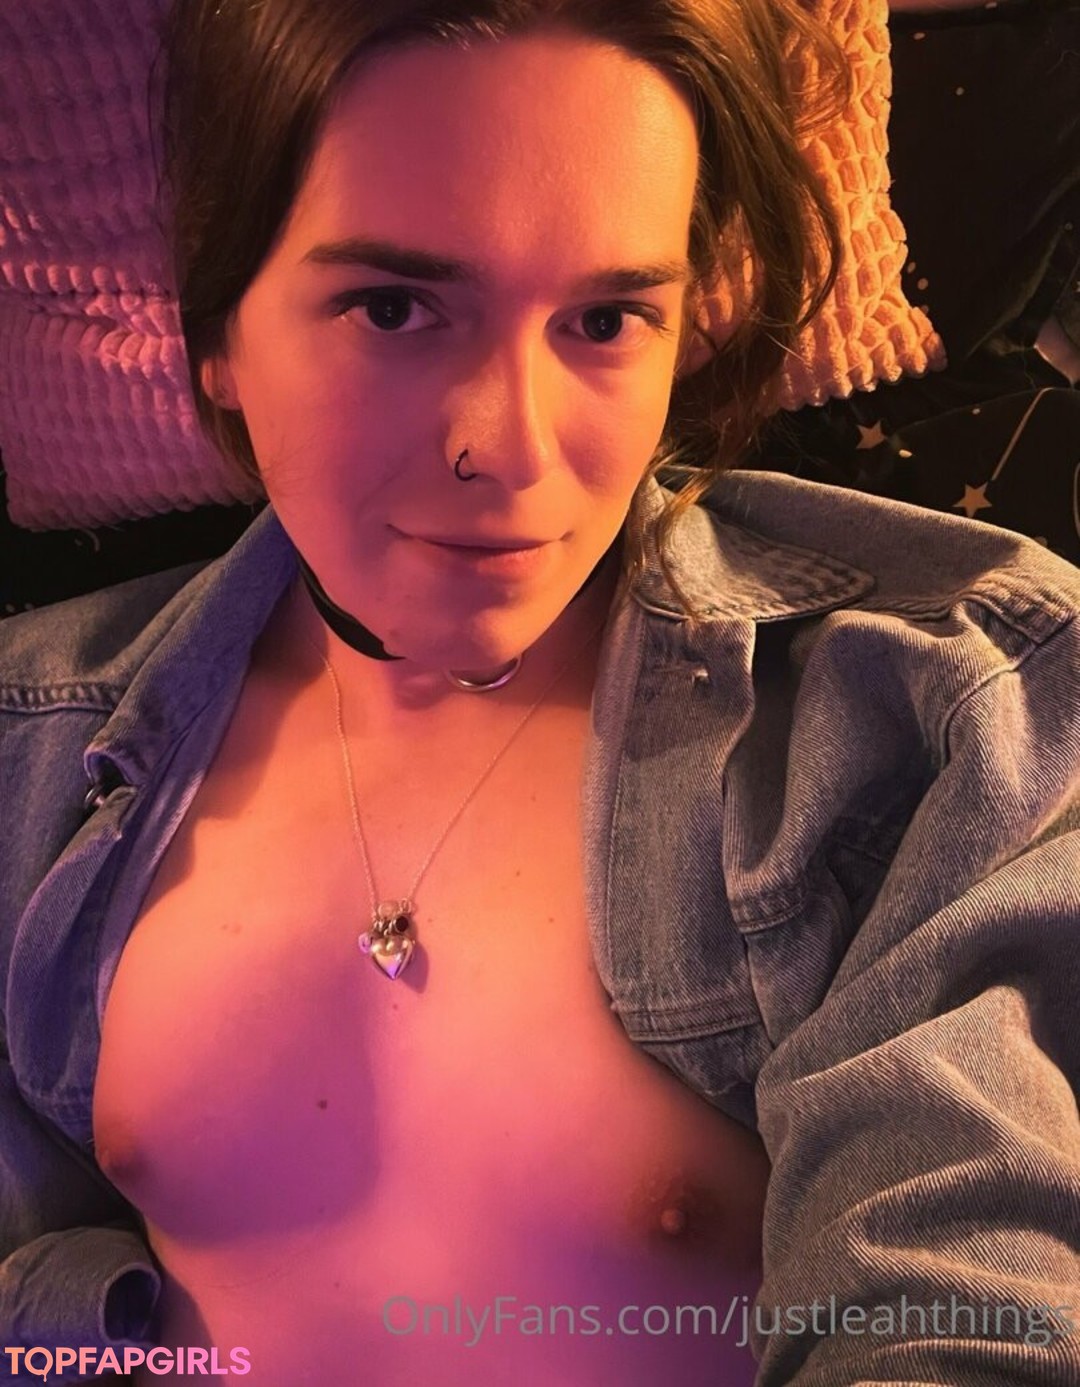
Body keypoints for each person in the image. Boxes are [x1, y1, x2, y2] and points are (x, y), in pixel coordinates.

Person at [1, 0, 1078, 1384]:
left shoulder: (937, 712)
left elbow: (962, 1295)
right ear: (218, 333)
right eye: (394, 308)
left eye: (606, 320)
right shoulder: (32, 751)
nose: (509, 446)